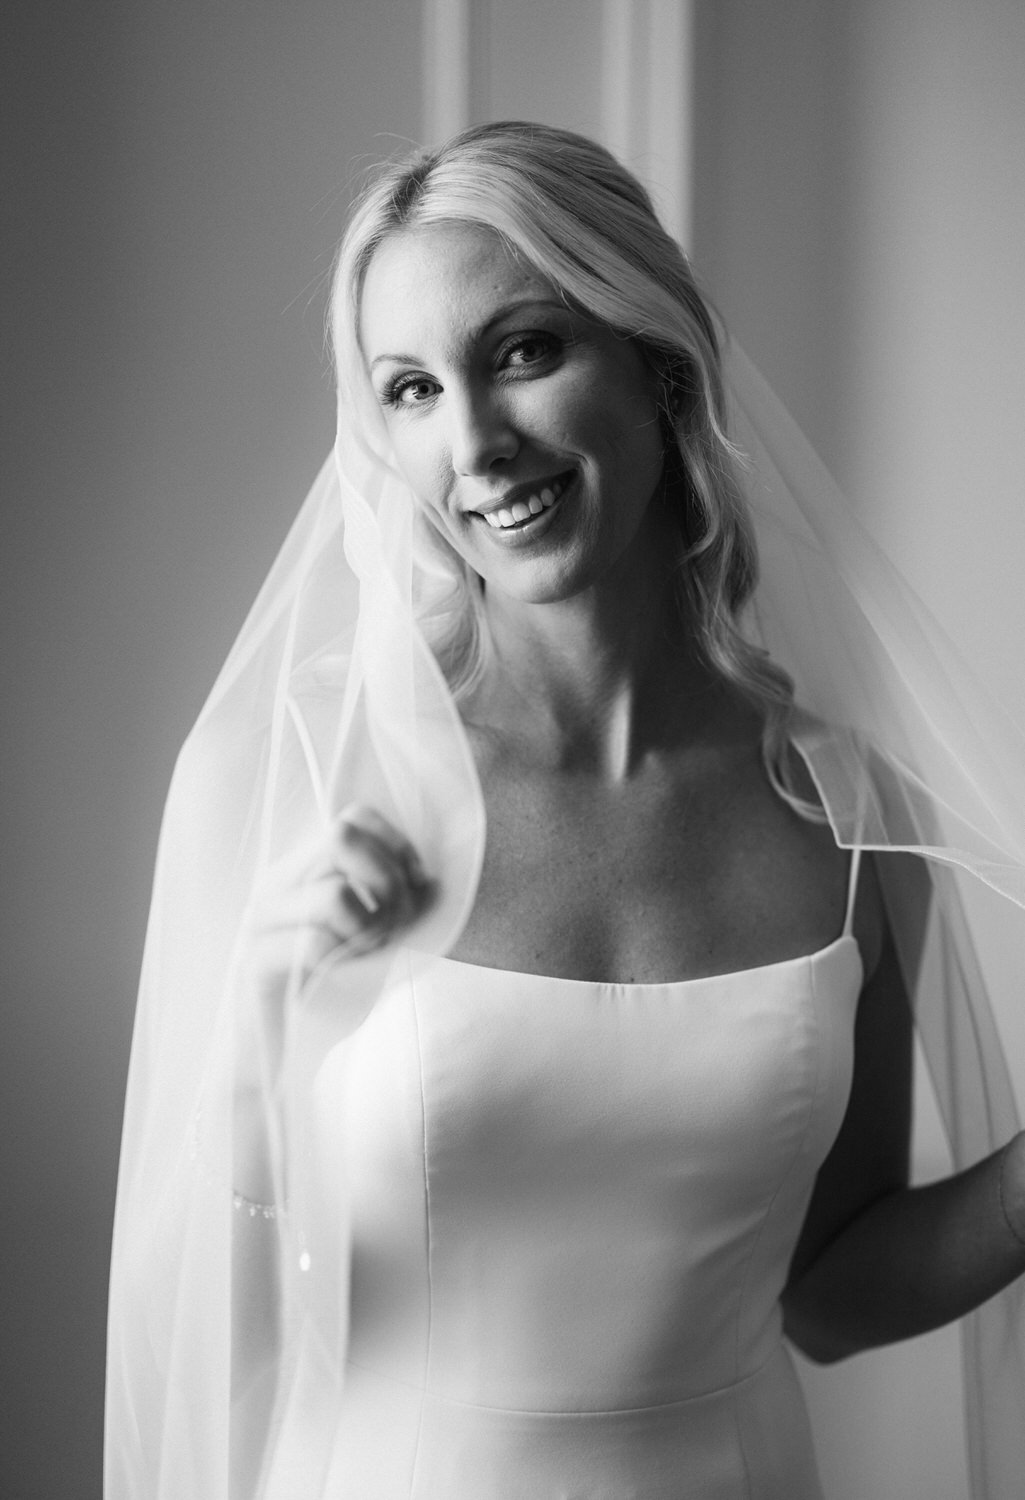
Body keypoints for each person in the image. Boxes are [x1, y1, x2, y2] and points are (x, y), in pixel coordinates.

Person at [105, 121, 1025, 1499]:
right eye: (409, 389)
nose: (473, 441)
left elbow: (829, 1292)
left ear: (658, 367)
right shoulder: (288, 775)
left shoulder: (848, 815)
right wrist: (260, 1032)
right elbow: (190, 1342)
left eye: (521, 351)